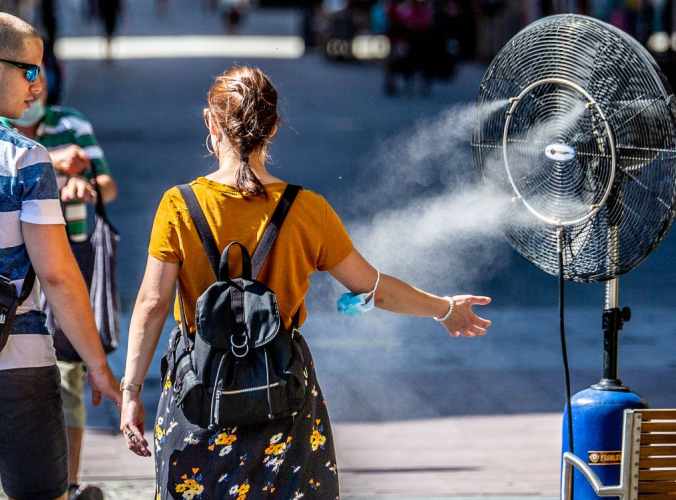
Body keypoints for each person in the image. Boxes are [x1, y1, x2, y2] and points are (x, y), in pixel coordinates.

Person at [119, 66, 491, 498]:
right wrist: (444, 308)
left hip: (201, 394)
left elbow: (151, 302)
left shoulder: (179, 205)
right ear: (273, 127)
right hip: (282, 395)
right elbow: (375, 288)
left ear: (211, 122)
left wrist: (130, 391)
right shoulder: (307, 209)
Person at [0, 13, 121, 500]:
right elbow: (57, 274)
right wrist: (98, 365)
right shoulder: (24, 159)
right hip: (17, 354)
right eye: (28, 70)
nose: (37, 85)